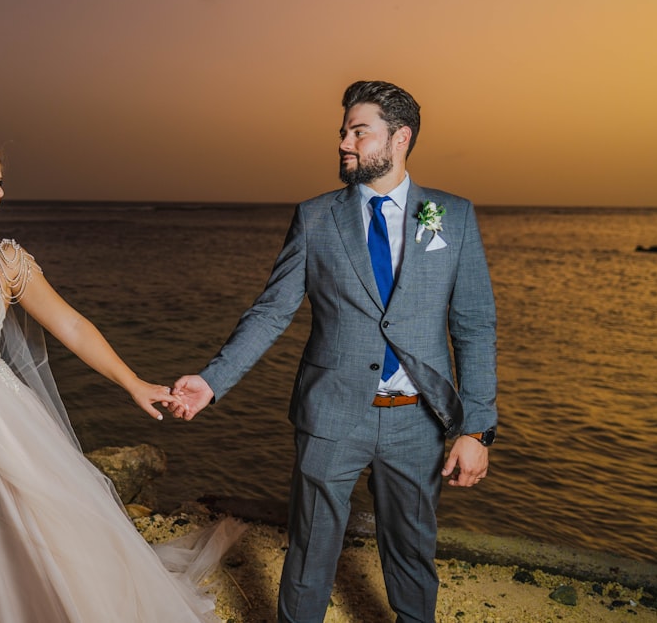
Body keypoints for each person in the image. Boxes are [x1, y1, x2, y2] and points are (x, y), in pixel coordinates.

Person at [0, 134, 241, 622]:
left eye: (1, 180)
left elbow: (72, 326)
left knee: (22, 543)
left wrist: (133, 382)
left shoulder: (4, 259)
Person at [172, 81, 497, 623]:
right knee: (310, 553)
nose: (344, 142)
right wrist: (212, 380)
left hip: (418, 421)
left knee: (413, 555)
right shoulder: (315, 217)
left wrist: (476, 428)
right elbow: (273, 310)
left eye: (358, 131)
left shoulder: (452, 216)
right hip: (330, 416)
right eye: (343, 132)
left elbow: (474, 327)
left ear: (400, 139)